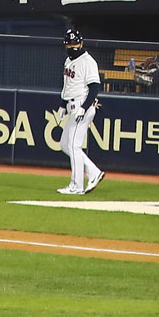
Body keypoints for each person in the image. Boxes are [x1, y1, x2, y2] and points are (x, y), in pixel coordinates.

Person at [55, 27, 105, 195]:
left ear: (81, 43)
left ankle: (77, 186)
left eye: (75, 43)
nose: (73, 46)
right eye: (70, 44)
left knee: (74, 145)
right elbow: (68, 86)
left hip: (81, 106)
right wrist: (62, 105)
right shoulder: (68, 61)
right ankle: (94, 172)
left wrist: (83, 108)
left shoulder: (88, 61)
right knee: (65, 144)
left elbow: (95, 88)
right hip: (71, 105)